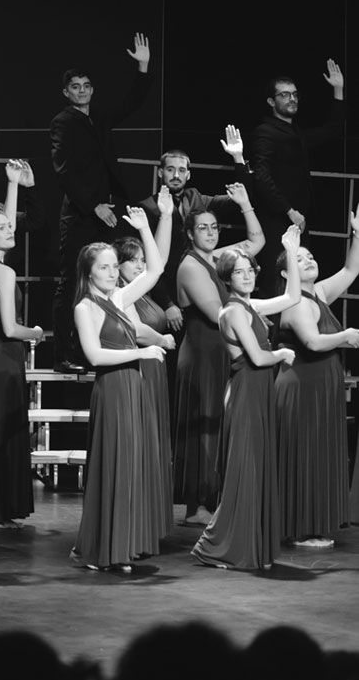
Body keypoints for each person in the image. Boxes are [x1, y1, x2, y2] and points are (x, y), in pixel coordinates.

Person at [191, 227, 303, 571]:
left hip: (257, 392)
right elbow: (257, 357)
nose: (247, 276)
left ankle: (247, 545)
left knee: (255, 468)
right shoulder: (234, 312)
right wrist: (282, 353)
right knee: (244, 470)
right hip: (245, 392)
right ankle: (214, 548)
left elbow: (293, 298)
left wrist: (290, 249)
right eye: (238, 271)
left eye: (250, 269)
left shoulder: (249, 305)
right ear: (227, 278)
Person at [69, 207, 168, 572]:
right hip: (112, 390)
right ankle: (102, 549)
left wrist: (144, 229)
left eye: (115, 266)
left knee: (132, 466)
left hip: (133, 388)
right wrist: (141, 351)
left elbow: (155, 271)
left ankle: (121, 545)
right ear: (89, 272)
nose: (112, 273)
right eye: (105, 267)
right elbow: (94, 355)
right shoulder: (86, 306)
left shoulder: (118, 299)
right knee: (115, 465)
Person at [48, 33, 154, 371]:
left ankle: (104, 343)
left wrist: (143, 66)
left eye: (86, 85)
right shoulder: (63, 122)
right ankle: (65, 352)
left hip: (106, 210)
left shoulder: (99, 118)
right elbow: (63, 171)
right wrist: (93, 204)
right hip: (81, 212)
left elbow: (132, 103)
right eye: (75, 86)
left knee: (108, 280)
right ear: (66, 92)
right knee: (73, 281)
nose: (82, 90)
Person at [174, 195, 265, 525]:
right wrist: (254, 314)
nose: (210, 233)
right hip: (202, 351)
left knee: (220, 423)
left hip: (223, 349)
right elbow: (218, 312)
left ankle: (215, 498)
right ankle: (197, 505)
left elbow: (257, 241)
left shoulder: (221, 259)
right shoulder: (190, 266)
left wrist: (245, 203)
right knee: (205, 422)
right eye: (203, 228)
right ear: (190, 233)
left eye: (214, 227)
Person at [272, 206, 359, 547]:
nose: (308, 260)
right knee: (303, 453)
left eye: (310, 256)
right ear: (286, 273)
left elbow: (352, 269)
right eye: (300, 258)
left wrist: (357, 233)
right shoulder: (292, 303)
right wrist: (347, 335)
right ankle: (299, 527)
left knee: (316, 453)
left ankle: (310, 523)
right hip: (301, 387)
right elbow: (312, 341)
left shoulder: (318, 294)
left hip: (320, 386)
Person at [137, 130, 253, 331]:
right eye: (170, 170)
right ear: (160, 172)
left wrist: (238, 158)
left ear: (188, 174)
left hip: (200, 283)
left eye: (181, 171)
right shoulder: (147, 207)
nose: (176, 175)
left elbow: (240, 197)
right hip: (166, 289)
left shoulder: (197, 199)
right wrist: (167, 304)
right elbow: (147, 261)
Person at [249, 60, 346, 295]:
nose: (292, 99)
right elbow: (261, 176)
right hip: (278, 219)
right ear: (272, 102)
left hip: (298, 219)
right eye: (284, 95)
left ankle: (298, 325)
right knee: (277, 278)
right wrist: (288, 210)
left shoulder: (295, 132)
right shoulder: (266, 132)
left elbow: (333, 130)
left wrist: (338, 90)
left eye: (294, 94)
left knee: (300, 279)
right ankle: (274, 330)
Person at [0, 206, 44, 527]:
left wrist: (13, 184)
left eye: (10, 226)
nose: (10, 230)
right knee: (2, 431)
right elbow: (12, 328)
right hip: (4, 357)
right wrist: (37, 333)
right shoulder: (5, 272)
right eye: (1, 227)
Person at [113, 203, 178, 540]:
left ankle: (149, 521)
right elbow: (137, 331)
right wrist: (163, 338)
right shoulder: (121, 294)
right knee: (143, 444)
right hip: (140, 367)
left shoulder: (144, 289)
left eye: (141, 259)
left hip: (154, 370)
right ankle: (137, 521)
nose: (140, 265)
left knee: (155, 445)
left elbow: (159, 263)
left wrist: (160, 220)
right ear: (116, 266)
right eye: (132, 260)